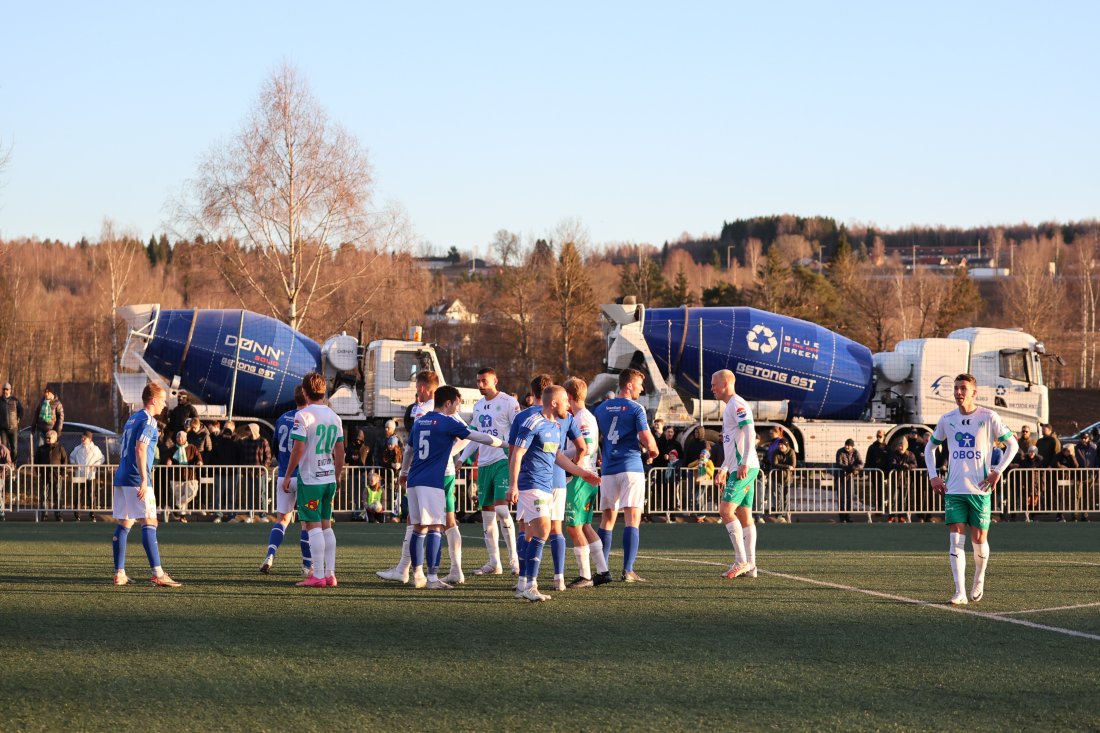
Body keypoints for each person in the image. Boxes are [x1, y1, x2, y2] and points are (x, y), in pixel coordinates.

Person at [926, 373, 1017, 605]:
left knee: (979, 540)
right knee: (955, 540)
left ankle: (979, 577)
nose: (958, 392)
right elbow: (930, 448)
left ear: (973, 392)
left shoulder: (988, 416)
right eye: (956, 388)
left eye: (963, 388)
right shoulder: (947, 419)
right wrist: (934, 476)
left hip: (980, 489)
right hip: (954, 489)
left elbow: (1012, 445)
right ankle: (959, 592)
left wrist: (997, 471)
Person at [400, 385, 503, 590]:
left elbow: (408, 450)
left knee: (418, 528)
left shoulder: (420, 421)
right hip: (432, 481)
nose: (457, 408)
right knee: (437, 528)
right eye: (457, 403)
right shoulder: (446, 422)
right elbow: (477, 437)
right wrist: (504, 444)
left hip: (413, 479)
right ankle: (432, 578)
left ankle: (418, 574)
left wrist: (403, 472)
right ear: (448, 403)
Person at [508, 385, 600, 601]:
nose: (569, 405)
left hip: (546, 486)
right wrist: (513, 485)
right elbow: (516, 455)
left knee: (536, 533)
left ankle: (525, 585)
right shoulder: (533, 422)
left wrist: (582, 473)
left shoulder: (555, 426)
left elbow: (557, 456)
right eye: (565, 401)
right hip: (531, 484)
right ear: (554, 403)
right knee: (544, 529)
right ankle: (530, 585)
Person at [111, 382, 181, 587]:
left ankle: (119, 573)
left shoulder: (132, 418)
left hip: (122, 476)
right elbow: (141, 449)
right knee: (150, 521)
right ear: (152, 400)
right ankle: (157, 573)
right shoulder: (149, 422)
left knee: (125, 522)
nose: (165, 404)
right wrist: (143, 478)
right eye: (162, 400)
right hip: (135, 478)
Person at [593, 368, 658, 583]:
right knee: (632, 518)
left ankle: (603, 569)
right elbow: (646, 437)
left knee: (607, 519)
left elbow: (596, 438)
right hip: (630, 468)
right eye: (639, 384)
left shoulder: (601, 408)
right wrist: (654, 450)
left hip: (609, 470)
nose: (642, 388)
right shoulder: (635, 407)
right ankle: (628, 570)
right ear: (628, 385)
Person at [283, 372, 345, 588]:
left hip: (310, 479)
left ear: (304, 392)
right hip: (328, 478)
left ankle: (318, 575)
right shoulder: (334, 416)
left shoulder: (303, 416)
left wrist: (289, 473)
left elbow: (298, 448)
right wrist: (336, 476)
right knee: (327, 525)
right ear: (324, 391)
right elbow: (340, 450)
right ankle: (330, 574)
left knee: (312, 525)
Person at [378, 370, 441, 583]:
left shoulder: (421, 409)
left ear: (423, 388)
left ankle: (421, 573)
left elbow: (411, 447)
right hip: (436, 470)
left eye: (417, 389)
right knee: (427, 522)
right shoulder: (441, 407)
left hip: (431, 473)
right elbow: (467, 433)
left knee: (430, 523)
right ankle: (407, 569)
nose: (416, 393)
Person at [462, 367, 521, 577]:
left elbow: (519, 431)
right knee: (487, 516)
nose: (480, 385)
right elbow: (475, 437)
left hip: (503, 460)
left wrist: (516, 455)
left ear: (495, 380)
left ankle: (515, 561)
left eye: (484, 381)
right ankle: (495, 562)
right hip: (484, 464)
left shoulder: (508, 403)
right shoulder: (478, 407)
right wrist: (461, 459)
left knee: (503, 512)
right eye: (478, 381)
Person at [562, 376, 612, 588]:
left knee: (573, 527)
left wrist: (564, 460)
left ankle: (586, 576)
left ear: (570, 396)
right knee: (584, 525)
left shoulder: (581, 418)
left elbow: (586, 446)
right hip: (585, 475)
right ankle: (603, 571)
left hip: (580, 477)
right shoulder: (583, 416)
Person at [710, 369, 761, 579]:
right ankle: (751, 566)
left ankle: (741, 562)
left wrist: (745, 463)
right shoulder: (730, 406)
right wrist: (723, 468)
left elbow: (750, 432)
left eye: (714, 384)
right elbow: (732, 444)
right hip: (741, 465)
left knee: (725, 511)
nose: (711, 388)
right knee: (744, 514)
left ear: (726, 384)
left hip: (744, 467)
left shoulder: (737, 404)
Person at [260, 385, 313, 576]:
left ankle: (270, 555)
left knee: (282, 519)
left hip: (283, 474)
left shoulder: (283, 417)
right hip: (303, 476)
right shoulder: (309, 419)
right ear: (307, 398)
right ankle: (307, 565)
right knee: (306, 523)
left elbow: (275, 446)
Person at [165, 430, 202, 522]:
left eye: (182, 437)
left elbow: (198, 456)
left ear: (186, 438)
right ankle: (182, 516)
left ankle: (175, 506)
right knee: (180, 496)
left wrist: (199, 462)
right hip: (176, 477)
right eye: (178, 437)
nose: (180, 439)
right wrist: (168, 461)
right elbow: (168, 458)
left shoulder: (192, 447)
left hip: (190, 476)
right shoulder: (173, 448)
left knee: (192, 493)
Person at [238, 423, 272, 520]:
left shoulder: (263, 441)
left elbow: (268, 457)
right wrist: (243, 469)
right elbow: (242, 457)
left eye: (249, 430)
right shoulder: (245, 442)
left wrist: (263, 469)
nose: (247, 432)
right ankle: (249, 514)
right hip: (248, 473)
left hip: (260, 473)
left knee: (262, 493)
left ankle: (263, 515)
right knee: (249, 494)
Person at [70, 430, 105, 521]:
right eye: (82, 437)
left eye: (84, 438)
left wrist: (94, 465)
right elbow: (71, 458)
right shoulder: (77, 448)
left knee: (91, 494)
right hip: (79, 475)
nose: (82, 439)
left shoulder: (95, 449)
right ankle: (77, 515)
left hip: (91, 475)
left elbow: (101, 459)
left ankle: (92, 515)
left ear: (90, 439)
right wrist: (75, 465)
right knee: (78, 494)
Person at [209, 419, 239, 523]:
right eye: (225, 427)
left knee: (232, 495)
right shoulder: (217, 439)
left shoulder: (237, 440)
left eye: (229, 427)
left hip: (233, 472)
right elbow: (213, 454)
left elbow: (239, 455)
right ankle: (218, 515)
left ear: (233, 428)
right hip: (219, 472)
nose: (226, 429)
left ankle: (231, 515)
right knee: (218, 494)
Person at [35, 429, 69, 521]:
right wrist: (38, 472)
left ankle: (58, 515)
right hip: (44, 475)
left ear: (54, 438)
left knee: (57, 496)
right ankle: (44, 515)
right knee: (44, 496)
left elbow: (64, 461)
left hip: (56, 476)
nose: (47, 439)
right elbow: (36, 461)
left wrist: (62, 473)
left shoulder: (60, 448)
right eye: (46, 438)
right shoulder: (41, 448)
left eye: (49, 438)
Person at [887, 437, 918, 522]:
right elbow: (892, 464)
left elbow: (914, 465)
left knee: (904, 499)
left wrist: (908, 466)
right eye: (899, 446)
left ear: (906, 446)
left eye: (902, 446)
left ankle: (902, 516)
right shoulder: (894, 454)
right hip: (895, 480)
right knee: (893, 498)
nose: (901, 447)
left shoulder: (910, 454)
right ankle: (891, 516)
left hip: (906, 480)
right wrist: (902, 465)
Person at [834, 439, 863, 522]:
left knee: (850, 497)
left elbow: (861, 463)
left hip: (850, 477)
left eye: (849, 445)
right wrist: (849, 468)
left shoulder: (856, 452)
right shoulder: (840, 451)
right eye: (846, 445)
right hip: (840, 477)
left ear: (852, 446)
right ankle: (842, 517)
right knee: (841, 498)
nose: (847, 446)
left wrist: (855, 469)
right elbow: (839, 463)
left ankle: (848, 516)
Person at [769, 439, 796, 516]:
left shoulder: (791, 452)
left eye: (782, 445)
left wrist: (783, 466)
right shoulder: (776, 452)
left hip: (787, 479)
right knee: (779, 496)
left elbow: (793, 465)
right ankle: (779, 514)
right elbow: (774, 464)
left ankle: (785, 514)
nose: (780, 446)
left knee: (786, 497)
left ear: (786, 445)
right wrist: (787, 466)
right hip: (777, 478)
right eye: (779, 444)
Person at [33, 387, 64, 451]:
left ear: (52, 394)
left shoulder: (57, 403)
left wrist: (57, 432)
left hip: (51, 430)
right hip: (40, 429)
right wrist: (33, 426)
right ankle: (40, 461)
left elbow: (60, 418)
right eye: (45, 392)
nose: (46, 394)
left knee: (50, 449)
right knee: (40, 448)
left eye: (48, 393)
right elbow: (36, 414)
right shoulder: (41, 402)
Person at [0, 382, 23, 463]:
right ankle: (5, 467)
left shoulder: (15, 401)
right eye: (3, 389)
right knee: (4, 449)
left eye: (6, 389)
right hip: (3, 429)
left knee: (14, 449)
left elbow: (21, 411)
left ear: (10, 390)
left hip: (13, 429)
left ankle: (13, 464)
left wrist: (18, 419)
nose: (5, 391)